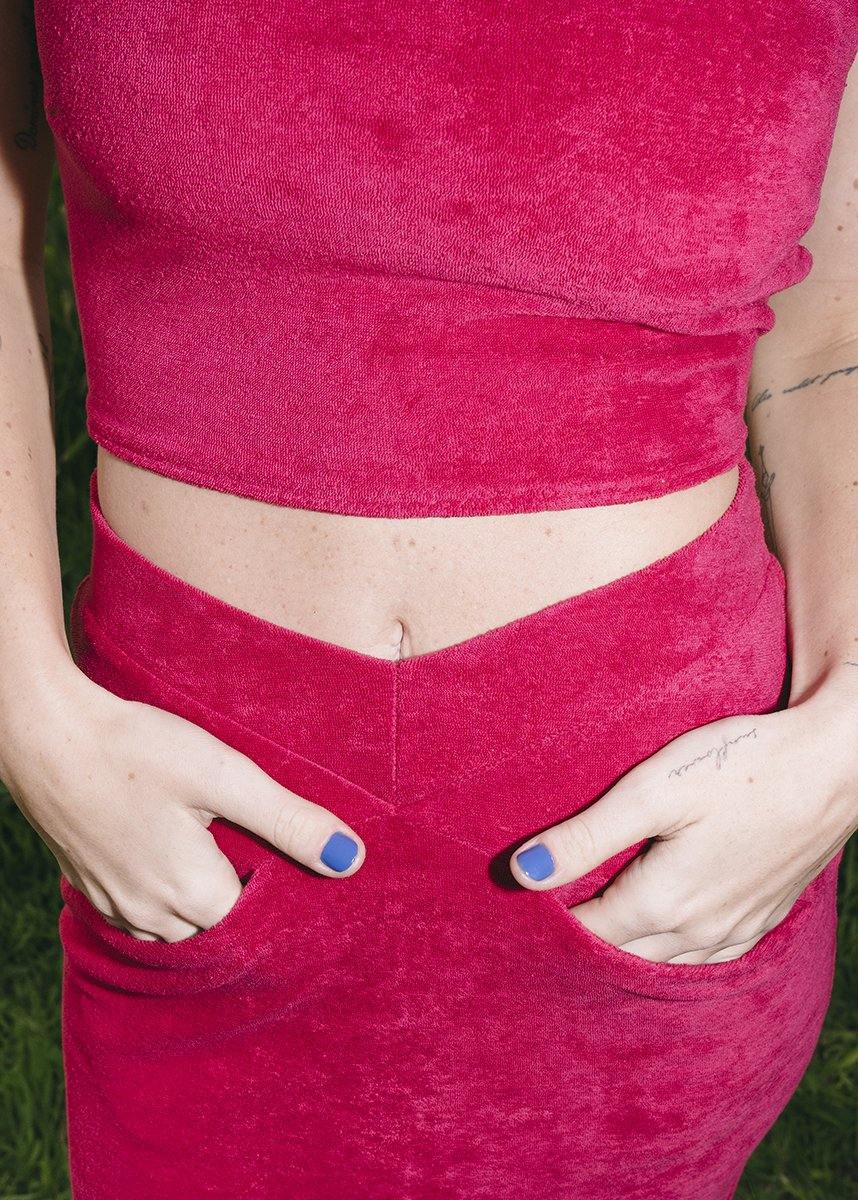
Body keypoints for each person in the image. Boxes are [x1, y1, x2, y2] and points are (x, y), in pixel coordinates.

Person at [1, 2, 856, 1197]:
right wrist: (27, 709)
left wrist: (847, 723)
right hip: (195, 856)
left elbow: (831, 337)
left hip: (650, 872)